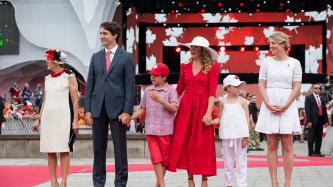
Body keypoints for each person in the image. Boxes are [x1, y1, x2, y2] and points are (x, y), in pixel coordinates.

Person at [84, 21, 135, 187]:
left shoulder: (126, 57)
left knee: (120, 150)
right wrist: (87, 110)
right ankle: (98, 183)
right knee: (98, 150)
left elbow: (129, 86)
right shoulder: (96, 57)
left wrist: (127, 111)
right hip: (97, 109)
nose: (101, 37)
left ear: (115, 35)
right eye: (100, 34)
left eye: (105, 33)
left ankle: (120, 183)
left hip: (118, 110)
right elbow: (89, 84)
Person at [168, 36, 220, 187]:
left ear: (203, 50)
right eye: (191, 47)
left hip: (203, 107)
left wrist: (208, 113)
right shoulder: (184, 66)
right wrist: (168, 103)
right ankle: (190, 179)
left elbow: (212, 92)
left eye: (195, 47)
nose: (191, 49)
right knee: (186, 141)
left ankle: (204, 179)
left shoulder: (213, 67)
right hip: (186, 108)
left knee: (203, 144)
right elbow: (178, 90)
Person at [255, 31, 302, 187]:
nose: (271, 46)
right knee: (271, 144)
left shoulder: (295, 63)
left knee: (288, 144)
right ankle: (274, 182)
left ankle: (287, 183)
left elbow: (296, 87)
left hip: (288, 105)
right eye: (270, 43)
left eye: (273, 43)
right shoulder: (266, 62)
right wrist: (267, 103)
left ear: (282, 44)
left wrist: (286, 105)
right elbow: (261, 84)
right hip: (270, 104)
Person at [32, 48, 79, 187]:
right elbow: (45, 100)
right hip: (48, 118)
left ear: (57, 62)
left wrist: (75, 120)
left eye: (49, 59)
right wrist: (38, 118)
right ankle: (53, 182)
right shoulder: (47, 78)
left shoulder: (69, 76)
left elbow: (75, 99)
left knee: (64, 150)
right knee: (50, 150)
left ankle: (63, 182)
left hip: (64, 117)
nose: (47, 62)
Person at [131, 63, 178, 187]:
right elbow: (142, 109)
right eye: (151, 75)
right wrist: (130, 117)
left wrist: (161, 101)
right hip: (151, 130)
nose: (152, 77)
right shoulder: (147, 90)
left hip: (166, 131)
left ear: (164, 77)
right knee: (156, 158)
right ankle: (162, 184)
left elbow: (174, 108)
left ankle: (158, 184)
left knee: (165, 161)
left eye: (156, 75)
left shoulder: (171, 90)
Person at [212, 75, 249, 187]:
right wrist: (211, 122)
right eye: (236, 86)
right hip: (227, 136)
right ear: (227, 88)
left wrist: (246, 136)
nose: (239, 88)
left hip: (241, 136)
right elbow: (219, 117)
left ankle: (242, 184)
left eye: (239, 86)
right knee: (228, 163)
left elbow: (247, 119)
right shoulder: (222, 101)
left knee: (241, 162)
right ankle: (228, 183)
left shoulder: (243, 101)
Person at [304, 84, 329, 156]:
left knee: (319, 138)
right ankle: (311, 153)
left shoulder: (322, 99)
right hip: (312, 121)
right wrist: (309, 121)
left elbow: (324, 110)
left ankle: (317, 152)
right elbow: (307, 110)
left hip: (321, 120)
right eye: (316, 88)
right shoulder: (308, 98)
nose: (317, 89)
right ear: (312, 89)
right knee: (311, 137)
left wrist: (326, 121)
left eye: (319, 88)